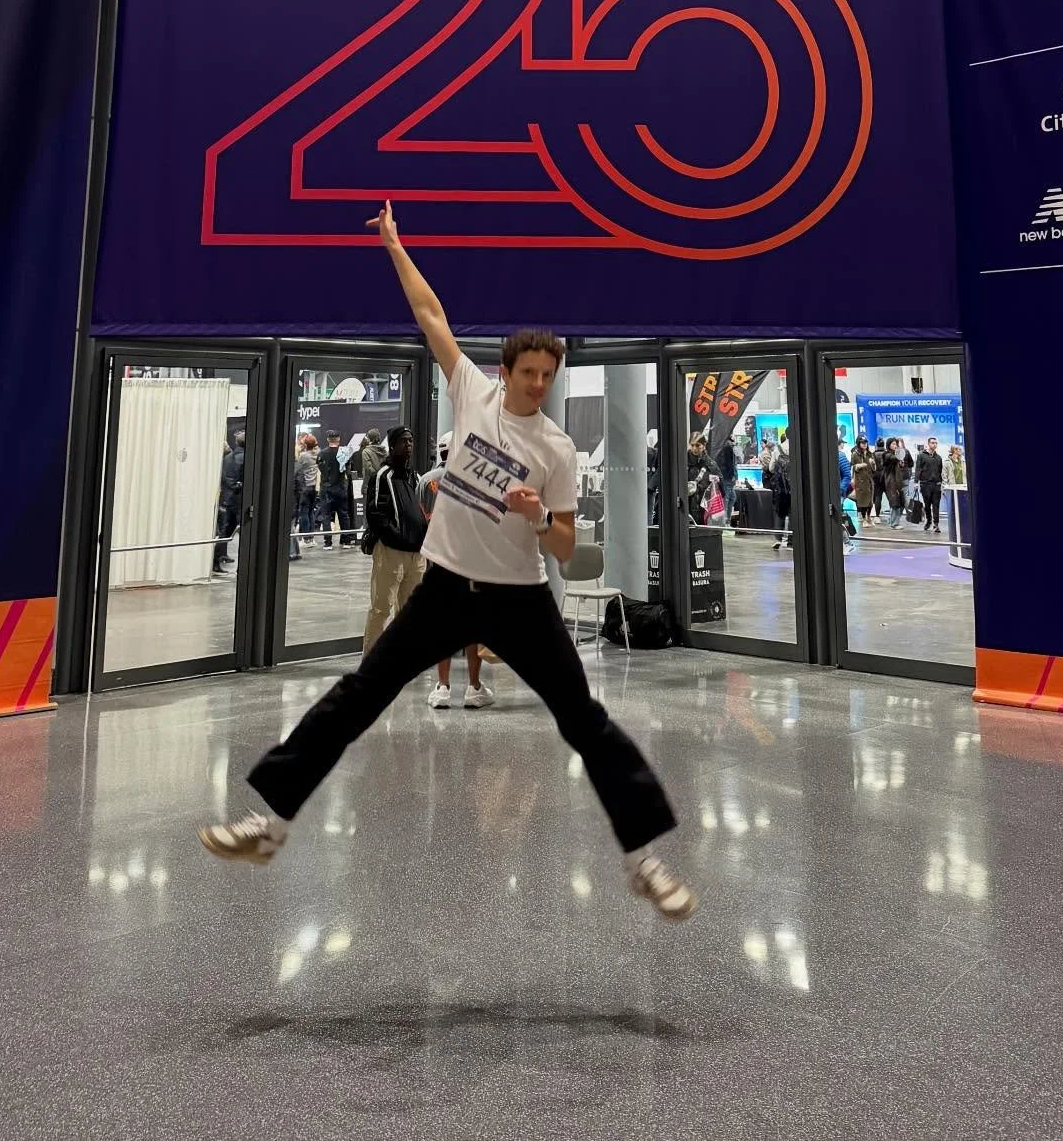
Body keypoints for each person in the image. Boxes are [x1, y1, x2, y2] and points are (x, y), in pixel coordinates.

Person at [201, 199, 696, 922]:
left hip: (521, 600)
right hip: (445, 591)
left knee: (583, 718)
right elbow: (430, 312)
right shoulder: (471, 392)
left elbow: (567, 544)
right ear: (506, 370)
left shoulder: (556, 450)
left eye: (547, 375)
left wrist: (538, 519)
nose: (537, 384)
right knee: (360, 692)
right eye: (527, 372)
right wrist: (395, 244)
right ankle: (269, 825)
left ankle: (644, 858)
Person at [419, 437, 493, 710]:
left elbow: (422, 520)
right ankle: (473, 687)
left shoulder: (426, 481)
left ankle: (442, 687)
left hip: (439, 561)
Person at [362, 426, 429, 650]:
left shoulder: (416, 477)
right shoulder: (382, 476)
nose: (408, 445)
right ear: (392, 446)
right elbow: (375, 513)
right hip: (391, 553)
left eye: (410, 441)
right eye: (403, 441)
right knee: (381, 609)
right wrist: (396, 537)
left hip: (416, 554)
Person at [213, 429, 245, 574]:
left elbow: (224, 478)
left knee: (225, 532)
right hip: (241, 501)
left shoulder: (227, 458)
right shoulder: (246, 458)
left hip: (229, 499)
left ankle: (215, 562)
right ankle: (243, 567)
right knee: (246, 533)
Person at [316, 429, 354, 548]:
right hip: (341, 488)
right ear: (338, 439)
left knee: (326, 516)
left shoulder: (322, 453)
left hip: (326, 489)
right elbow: (348, 471)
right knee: (343, 514)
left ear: (328, 439)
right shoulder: (344, 453)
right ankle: (346, 541)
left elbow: (320, 469)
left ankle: (328, 543)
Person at [290, 433, 320, 559]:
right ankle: (311, 538)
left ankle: (306, 538)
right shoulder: (318, 455)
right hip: (315, 487)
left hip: (305, 487)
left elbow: (296, 465)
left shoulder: (303, 456)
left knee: (303, 512)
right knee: (311, 512)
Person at [915, 436, 944, 533]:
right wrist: (916, 482)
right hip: (925, 484)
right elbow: (918, 469)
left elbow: (940, 472)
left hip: (936, 485)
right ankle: (929, 521)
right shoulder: (921, 456)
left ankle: (936, 524)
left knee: (936, 505)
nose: (934, 444)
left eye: (936, 443)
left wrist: (941, 483)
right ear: (928, 444)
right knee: (927, 505)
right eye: (932, 443)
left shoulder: (938, 458)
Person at [850, 436, 875, 524]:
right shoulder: (855, 454)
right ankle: (864, 519)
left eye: (865, 443)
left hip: (869, 480)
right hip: (860, 481)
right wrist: (858, 466)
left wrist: (873, 464)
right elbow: (852, 466)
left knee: (870, 501)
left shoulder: (870, 454)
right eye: (862, 443)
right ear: (859, 444)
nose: (864, 444)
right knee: (862, 500)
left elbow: (874, 469)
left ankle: (869, 517)